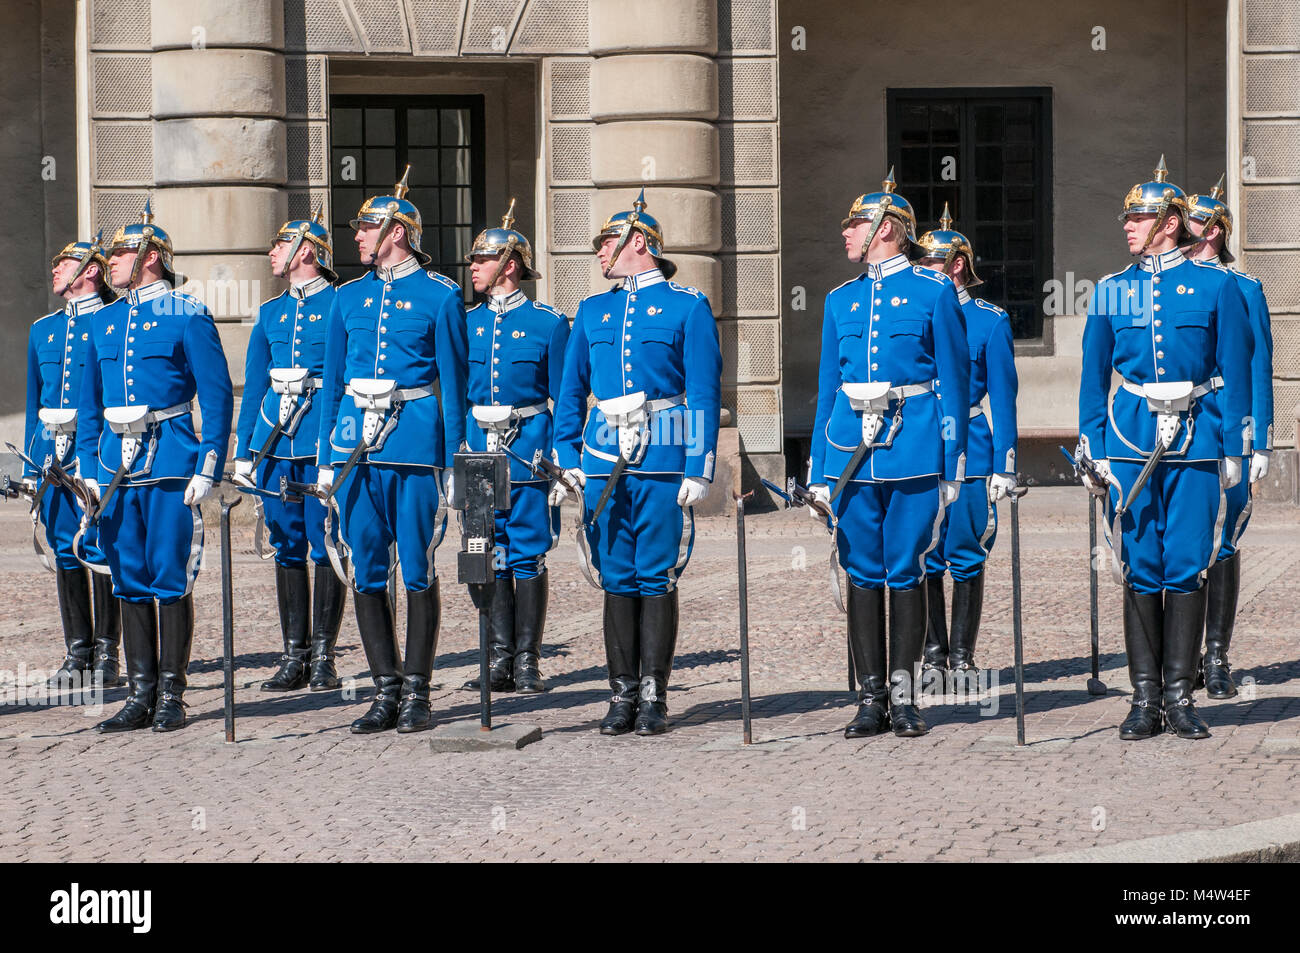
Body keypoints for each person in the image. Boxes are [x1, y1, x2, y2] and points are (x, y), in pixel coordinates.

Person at [1078, 158, 1251, 740]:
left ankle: (1180, 697)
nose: (1128, 225)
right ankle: (1144, 697)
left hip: (1197, 434)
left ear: (1171, 223)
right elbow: (1093, 375)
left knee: (1185, 564)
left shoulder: (1218, 286)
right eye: (1128, 216)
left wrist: (1234, 447)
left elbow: (1235, 371)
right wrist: (1093, 443)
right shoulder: (1112, 291)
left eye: (1139, 216)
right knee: (1139, 566)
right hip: (1130, 438)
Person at [551, 190, 722, 736]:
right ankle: (620, 694)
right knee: (615, 578)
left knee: (655, 577)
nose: (599, 251)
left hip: (662, 456)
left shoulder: (687, 305)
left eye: (607, 241)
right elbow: (571, 391)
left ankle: (654, 695)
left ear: (638, 243)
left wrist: (699, 465)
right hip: (603, 460)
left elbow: (702, 392)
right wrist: (567, 455)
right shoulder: (592, 310)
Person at [809, 171, 970, 739]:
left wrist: (953, 463)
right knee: (861, 573)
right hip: (851, 453)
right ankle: (870, 697)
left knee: (905, 571)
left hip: (914, 449)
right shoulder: (840, 299)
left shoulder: (934, 292)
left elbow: (954, 380)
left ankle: (905, 698)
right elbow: (829, 387)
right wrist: (818, 471)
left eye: (856, 223)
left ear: (888, 230)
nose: (846, 232)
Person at [316, 168, 469, 734]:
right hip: (356, 448)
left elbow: (455, 385)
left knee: (420, 568)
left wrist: (456, 463)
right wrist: (327, 458)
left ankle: (419, 693)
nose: (356, 236)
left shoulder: (441, 295)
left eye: (366, 227)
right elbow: (332, 383)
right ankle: (385, 688)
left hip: (414, 446)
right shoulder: (347, 298)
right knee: (365, 568)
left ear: (397, 232)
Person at [77, 200, 234, 732]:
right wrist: (89, 471)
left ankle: (172, 693)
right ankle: (139, 693)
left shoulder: (187, 312)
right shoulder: (104, 320)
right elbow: (89, 405)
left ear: (150, 256)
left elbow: (214, 395)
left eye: (118, 253)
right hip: (116, 468)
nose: (109, 263)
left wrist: (208, 462)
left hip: (169, 457)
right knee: (128, 578)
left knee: (169, 576)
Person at [232, 212, 346, 693]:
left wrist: (331, 452)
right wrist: (244, 451)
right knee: (286, 546)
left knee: (325, 545)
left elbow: (339, 383)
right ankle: (293, 653)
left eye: (280, 245)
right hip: (275, 441)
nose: (272, 253)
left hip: (319, 434)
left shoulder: (340, 304)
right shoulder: (271, 312)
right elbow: (255, 381)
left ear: (306, 250)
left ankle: (323, 655)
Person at [459, 201, 569, 695]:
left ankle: (527, 660)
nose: (473, 268)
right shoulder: (464, 323)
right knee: (482, 552)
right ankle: (495, 656)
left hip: (527, 448)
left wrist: (563, 459)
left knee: (526, 554)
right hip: (478, 450)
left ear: (510, 266)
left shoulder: (549, 323)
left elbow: (566, 398)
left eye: (481, 261)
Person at [915, 205, 1019, 682]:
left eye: (931, 263)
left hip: (973, 446)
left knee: (965, 549)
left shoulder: (989, 321)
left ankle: (961, 653)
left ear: (956, 264)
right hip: (920, 442)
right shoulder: (914, 308)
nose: (921, 269)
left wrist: (1005, 464)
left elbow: (1004, 397)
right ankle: (932, 650)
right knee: (924, 552)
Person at [1184, 175, 1273, 699]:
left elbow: (1258, 364)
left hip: (1228, 431)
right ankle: (1178, 658)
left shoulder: (1244, 287)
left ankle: (1215, 655)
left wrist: (1258, 438)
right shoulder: (1162, 283)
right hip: (1179, 431)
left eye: (1193, 223)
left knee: (1222, 540)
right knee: (1178, 543)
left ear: (1216, 231)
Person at [24, 233, 120, 689]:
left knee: (97, 549)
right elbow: (33, 403)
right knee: (64, 550)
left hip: (96, 454)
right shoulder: (42, 329)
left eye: (64, 264)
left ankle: (108, 651)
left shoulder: (112, 321)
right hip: (52, 459)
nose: (55, 271)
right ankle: (76, 650)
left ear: (91, 271)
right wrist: (30, 468)